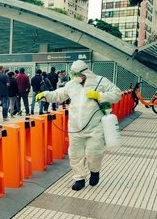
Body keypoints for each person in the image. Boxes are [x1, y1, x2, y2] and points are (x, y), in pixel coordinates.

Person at [36, 60, 121, 191]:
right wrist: (45, 96)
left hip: (94, 126)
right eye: (72, 73)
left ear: (84, 73)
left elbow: (117, 94)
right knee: (75, 154)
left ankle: (94, 171)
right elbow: (59, 94)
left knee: (94, 153)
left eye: (76, 74)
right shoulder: (71, 85)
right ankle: (79, 178)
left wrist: (100, 95)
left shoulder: (100, 81)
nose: (74, 76)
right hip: (75, 127)